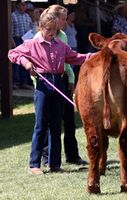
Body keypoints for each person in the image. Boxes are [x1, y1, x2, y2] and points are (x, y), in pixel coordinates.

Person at [8, 8, 92, 175]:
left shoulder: (61, 45)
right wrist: (26, 64)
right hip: (43, 85)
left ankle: (54, 164)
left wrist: (92, 57)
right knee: (40, 125)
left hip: (58, 83)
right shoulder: (32, 44)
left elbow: (75, 57)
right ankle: (34, 164)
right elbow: (13, 53)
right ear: (41, 27)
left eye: (55, 30)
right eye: (48, 30)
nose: (52, 33)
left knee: (55, 126)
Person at [37, 5, 87, 166]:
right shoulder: (41, 37)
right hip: (47, 82)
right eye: (63, 19)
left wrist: (71, 78)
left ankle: (72, 155)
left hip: (63, 78)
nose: (65, 22)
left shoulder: (63, 36)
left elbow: (69, 59)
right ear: (55, 18)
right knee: (47, 121)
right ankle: (47, 158)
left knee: (69, 119)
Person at [11, 0, 33, 89]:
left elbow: (31, 28)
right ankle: (15, 82)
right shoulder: (12, 15)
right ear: (17, 5)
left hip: (26, 40)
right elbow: (10, 30)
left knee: (25, 61)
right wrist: (12, 41)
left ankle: (24, 82)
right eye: (22, 5)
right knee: (16, 62)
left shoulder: (27, 16)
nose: (24, 6)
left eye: (25, 5)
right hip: (16, 39)